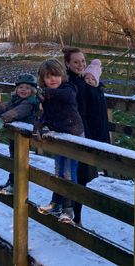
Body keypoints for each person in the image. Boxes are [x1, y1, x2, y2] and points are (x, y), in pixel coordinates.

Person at [62, 47, 110, 224]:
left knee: (82, 178)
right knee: (79, 177)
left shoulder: (86, 80)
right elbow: (80, 113)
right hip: (82, 137)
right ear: (68, 63)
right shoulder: (74, 84)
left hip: (92, 136)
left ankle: (73, 215)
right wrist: (87, 138)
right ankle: (74, 217)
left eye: (83, 61)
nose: (81, 64)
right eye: (76, 62)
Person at [36, 58, 85, 223]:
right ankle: (56, 203)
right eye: (48, 77)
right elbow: (47, 115)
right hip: (60, 137)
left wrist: (48, 93)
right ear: (43, 79)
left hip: (73, 136)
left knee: (69, 172)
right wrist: (39, 126)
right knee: (59, 171)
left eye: (56, 75)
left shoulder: (68, 88)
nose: (52, 80)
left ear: (62, 76)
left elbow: (69, 97)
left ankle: (68, 209)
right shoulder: (47, 95)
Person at [0, 73, 39, 195]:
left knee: (19, 160)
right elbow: (3, 106)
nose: (23, 90)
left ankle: (16, 185)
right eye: (21, 87)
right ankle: (11, 181)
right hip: (15, 135)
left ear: (33, 90)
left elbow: (17, 112)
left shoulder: (29, 103)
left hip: (24, 136)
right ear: (16, 89)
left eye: (27, 88)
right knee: (13, 157)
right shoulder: (16, 100)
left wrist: (3, 118)